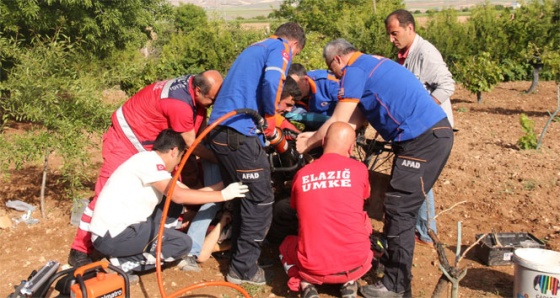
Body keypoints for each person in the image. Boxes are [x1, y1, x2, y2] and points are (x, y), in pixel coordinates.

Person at [296, 38, 454, 297]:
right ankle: (396, 280)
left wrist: (309, 142)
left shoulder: (353, 71)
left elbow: (339, 119)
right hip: (425, 137)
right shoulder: (372, 63)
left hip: (423, 140)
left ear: (336, 59)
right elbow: (356, 118)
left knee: (399, 209)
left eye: (332, 69)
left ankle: (396, 286)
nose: (335, 76)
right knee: (398, 208)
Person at [68, 70, 223, 267]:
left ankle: (154, 233)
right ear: (199, 90)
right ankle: (80, 249)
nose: (212, 103)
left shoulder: (194, 88)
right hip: (127, 137)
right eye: (212, 99)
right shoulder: (180, 104)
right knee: (105, 192)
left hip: (150, 139)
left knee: (177, 181)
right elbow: (191, 144)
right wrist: (220, 160)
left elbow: (199, 129)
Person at [207, 22, 306, 285]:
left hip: (223, 131)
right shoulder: (281, 47)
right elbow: (273, 81)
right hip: (237, 131)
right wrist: (270, 119)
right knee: (261, 201)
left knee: (244, 198)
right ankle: (243, 270)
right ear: (295, 45)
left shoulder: (257, 46)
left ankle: (242, 261)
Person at [89, 129, 248, 275]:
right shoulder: (148, 163)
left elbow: (189, 194)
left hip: (121, 231)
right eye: (180, 157)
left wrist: (226, 184)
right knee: (182, 244)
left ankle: (157, 239)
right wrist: (223, 195)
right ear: (174, 151)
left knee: (173, 203)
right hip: (113, 237)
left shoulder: (153, 167)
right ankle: (121, 263)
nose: (178, 163)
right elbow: (178, 195)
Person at [385, 9, 456, 247]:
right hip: (415, 129)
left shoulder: (426, 52)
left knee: (420, 178)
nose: (391, 39)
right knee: (416, 177)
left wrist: (422, 110)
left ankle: (425, 232)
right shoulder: (404, 55)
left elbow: (447, 85)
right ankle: (421, 229)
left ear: (410, 28)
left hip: (430, 128)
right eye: (389, 34)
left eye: (395, 33)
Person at [279, 122, 372, 298]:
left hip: (313, 267)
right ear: (351, 148)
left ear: (323, 143)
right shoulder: (360, 169)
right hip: (357, 263)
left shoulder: (303, 173)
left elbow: (295, 209)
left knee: (286, 246)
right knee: (363, 221)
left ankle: (305, 283)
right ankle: (349, 282)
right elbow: (364, 198)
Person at [286, 63, 340, 131]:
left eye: (294, 85)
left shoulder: (330, 83)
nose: (291, 89)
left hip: (336, 127)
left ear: (305, 80)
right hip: (313, 127)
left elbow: (346, 114)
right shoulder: (286, 89)